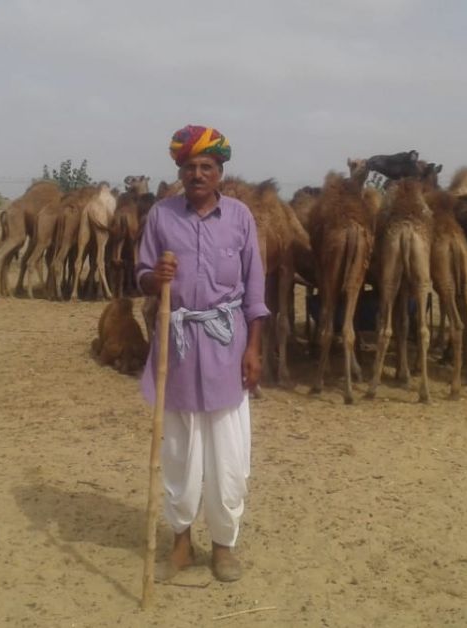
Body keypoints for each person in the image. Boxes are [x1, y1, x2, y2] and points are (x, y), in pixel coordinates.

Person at [136, 125, 268, 583]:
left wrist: (253, 347)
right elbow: (141, 276)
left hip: (227, 347)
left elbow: (254, 289)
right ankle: (180, 543)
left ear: (220, 172)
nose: (197, 173)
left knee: (229, 456)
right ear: (179, 170)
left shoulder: (240, 218)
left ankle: (224, 545)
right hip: (177, 348)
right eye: (189, 166)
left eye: (206, 166)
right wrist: (157, 276)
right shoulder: (160, 216)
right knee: (178, 452)